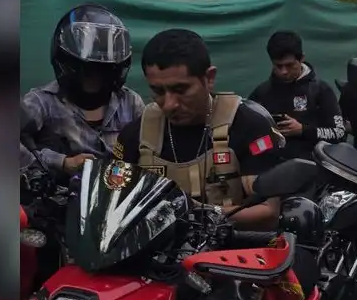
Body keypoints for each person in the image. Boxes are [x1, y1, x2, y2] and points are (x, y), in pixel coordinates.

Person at [114, 29, 282, 229]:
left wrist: (191, 213)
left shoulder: (248, 126)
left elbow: (268, 211)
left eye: (181, 90)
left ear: (209, 78)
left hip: (230, 246)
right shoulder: (136, 135)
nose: (169, 104)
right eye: (158, 91)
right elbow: (113, 206)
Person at [20, 4, 145, 175]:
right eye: (87, 71)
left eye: (102, 71)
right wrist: (63, 162)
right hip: (59, 189)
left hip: (118, 187)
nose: (94, 78)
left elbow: (148, 150)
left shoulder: (130, 102)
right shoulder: (42, 101)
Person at [249, 31, 346, 160]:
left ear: (301, 58)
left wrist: (302, 130)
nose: (284, 72)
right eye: (278, 66)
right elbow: (248, 138)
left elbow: (339, 133)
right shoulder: (262, 92)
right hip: (272, 165)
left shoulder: (321, 90)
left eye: (289, 65)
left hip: (311, 164)